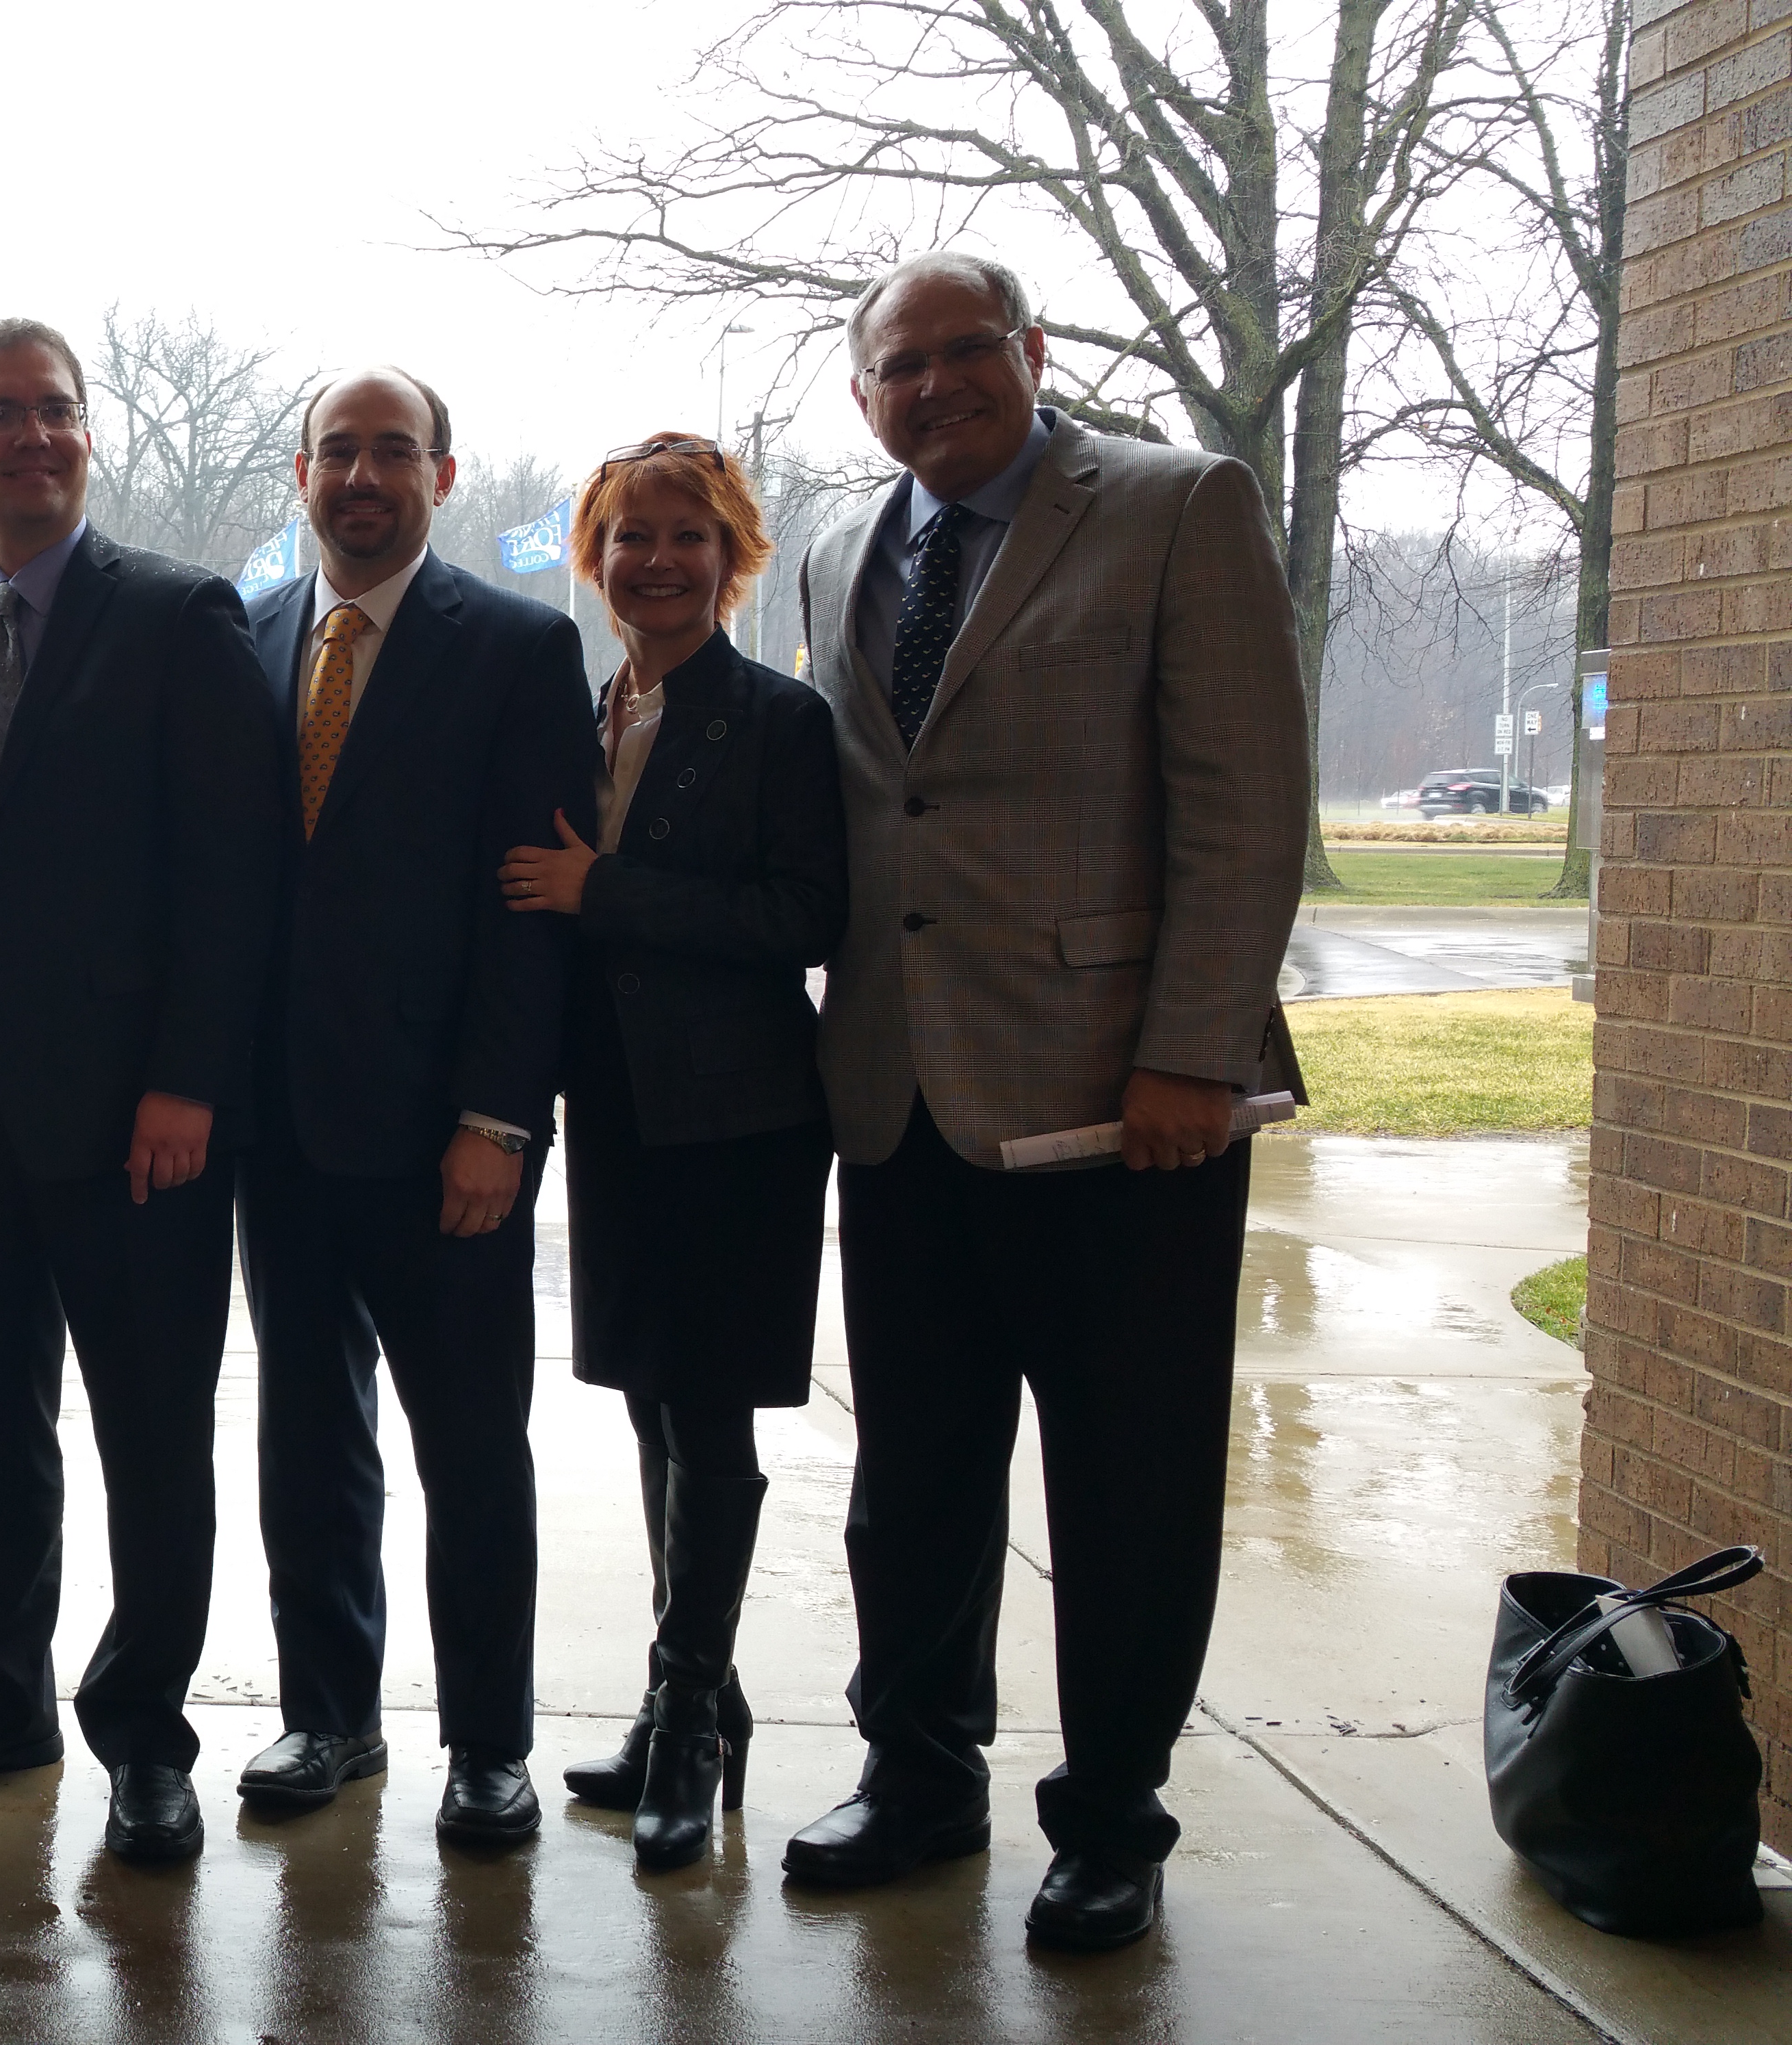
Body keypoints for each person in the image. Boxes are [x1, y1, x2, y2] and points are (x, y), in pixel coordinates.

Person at [780, 253, 1306, 1950]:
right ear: (862, 396)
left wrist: (1195, 1051)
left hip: (1119, 1102)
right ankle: (919, 1778)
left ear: (1029, 352)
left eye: (962, 353)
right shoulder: (838, 545)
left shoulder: (1174, 506)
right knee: (915, 1476)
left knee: (1126, 1478)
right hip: (900, 1097)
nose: (931, 387)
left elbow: (1246, 799)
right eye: (896, 368)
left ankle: (1110, 1819)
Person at [0, 318, 285, 1863]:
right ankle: (3, 1696)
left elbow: (235, 880)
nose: (31, 438)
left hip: (136, 1130)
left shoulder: (179, 618)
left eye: (57, 413)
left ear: (86, 437)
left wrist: (188, 1084)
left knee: (153, 1434)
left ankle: (145, 1735)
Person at [230, 368, 593, 1847]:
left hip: (448, 1139)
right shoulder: (240, 637)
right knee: (306, 1439)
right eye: (338, 451)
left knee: (469, 1447)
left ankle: (488, 1746)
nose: (362, 475)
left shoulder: (516, 647)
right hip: (279, 1132)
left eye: (394, 451)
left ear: (444, 475)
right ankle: (328, 1716)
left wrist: (500, 1120)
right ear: (298, 472)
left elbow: (530, 908)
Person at [498, 434, 845, 1871]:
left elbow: (801, 919)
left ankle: (689, 1720)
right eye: (629, 536)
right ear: (594, 554)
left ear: (732, 555)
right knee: (650, 1407)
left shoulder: (775, 720)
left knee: (706, 1416)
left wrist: (605, 890)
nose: (656, 559)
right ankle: (691, 1700)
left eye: (686, 536)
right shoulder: (591, 713)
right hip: (624, 1118)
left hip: (742, 1122)